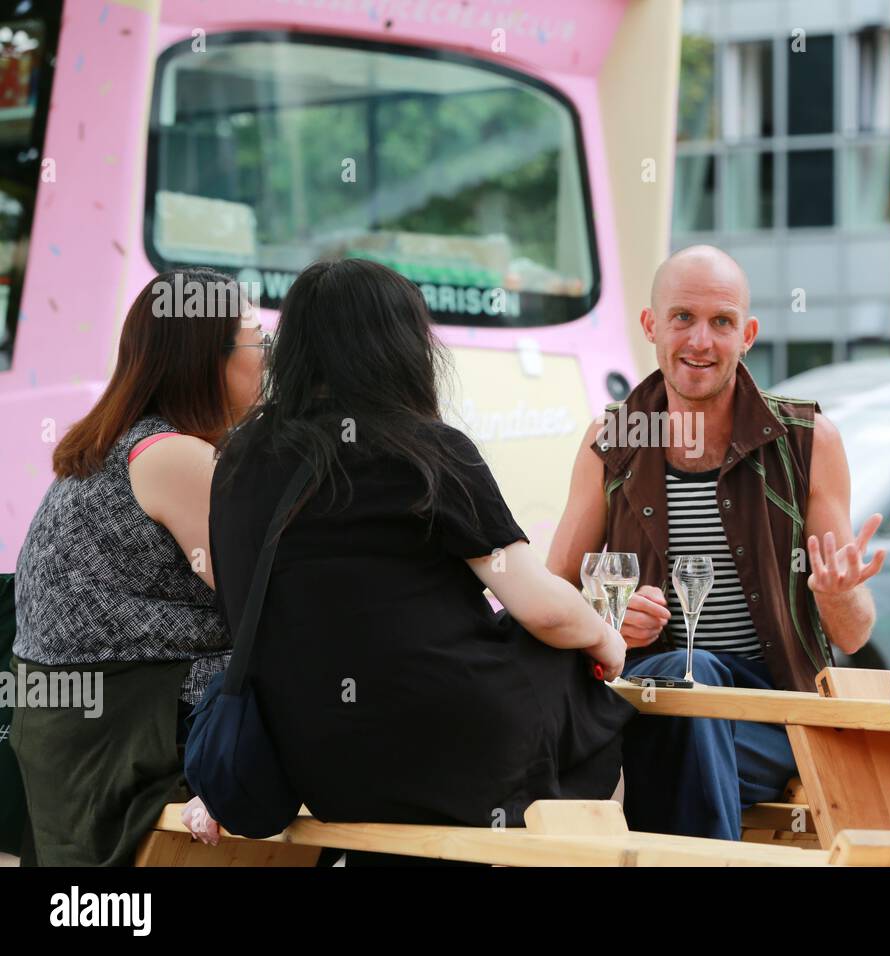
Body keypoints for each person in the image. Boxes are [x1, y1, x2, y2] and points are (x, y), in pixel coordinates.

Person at [203, 259, 633, 860]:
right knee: (583, 682)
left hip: (316, 762)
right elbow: (541, 607)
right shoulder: (425, 451)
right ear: (399, 347)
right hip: (453, 755)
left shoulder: (237, 459)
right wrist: (606, 639)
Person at [547, 244, 885, 840]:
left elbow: (853, 633)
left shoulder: (807, 441)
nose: (701, 341)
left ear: (747, 334)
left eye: (721, 323)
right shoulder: (612, 439)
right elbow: (554, 596)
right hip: (654, 702)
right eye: (683, 318)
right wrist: (609, 618)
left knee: (687, 697)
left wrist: (836, 593)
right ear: (651, 325)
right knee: (681, 700)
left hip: (777, 715)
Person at [10, 268, 264, 865]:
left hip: (67, 732)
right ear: (208, 360)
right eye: (259, 343)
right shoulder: (174, 455)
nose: (268, 362)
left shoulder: (125, 441)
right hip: (120, 736)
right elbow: (259, 601)